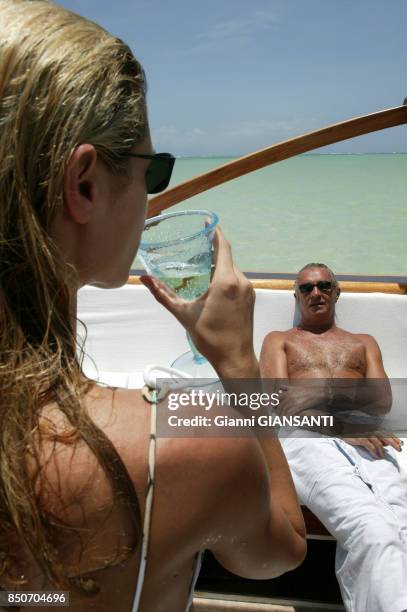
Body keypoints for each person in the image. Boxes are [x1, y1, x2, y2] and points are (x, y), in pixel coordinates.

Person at [0, 2, 306, 610]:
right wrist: (238, 363)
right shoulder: (184, 445)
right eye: (154, 169)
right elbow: (280, 550)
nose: (152, 194)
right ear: (84, 183)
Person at [260, 262, 407, 612]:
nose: (316, 293)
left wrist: (316, 391)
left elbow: (382, 400)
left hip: (368, 434)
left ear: (337, 292)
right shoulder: (280, 341)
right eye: (306, 288)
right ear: (296, 296)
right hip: (306, 439)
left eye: (324, 285)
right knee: (371, 528)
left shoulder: (363, 343)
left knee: (398, 525)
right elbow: (281, 404)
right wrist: (342, 424)